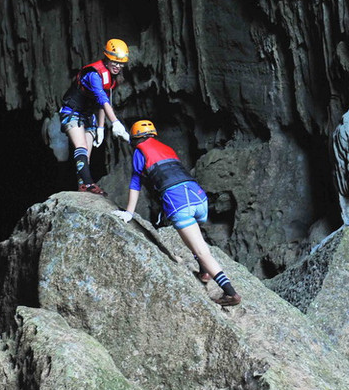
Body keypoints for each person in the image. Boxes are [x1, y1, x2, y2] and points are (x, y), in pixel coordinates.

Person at [111, 120, 241, 306]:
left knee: (201, 250)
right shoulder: (166, 148)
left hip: (179, 202)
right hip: (198, 197)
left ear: (135, 138)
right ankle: (204, 272)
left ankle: (230, 293)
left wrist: (129, 213)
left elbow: (135, 183)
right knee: (195, 238)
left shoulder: (140, 151)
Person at [59, 38, 131, 195]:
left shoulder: (112, 77)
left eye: (121, 63)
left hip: (88, 114)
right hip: (72, 111)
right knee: (81, 147)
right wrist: (115, 123)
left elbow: (100, 104)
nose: (118, 66)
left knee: (87, 156)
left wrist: (100, 127)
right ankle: (89, 185)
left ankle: (82, 186)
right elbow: (102, 99)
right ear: (107, 57)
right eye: (115, 62)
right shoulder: (94, 74)